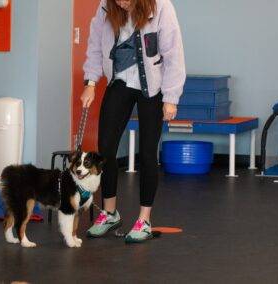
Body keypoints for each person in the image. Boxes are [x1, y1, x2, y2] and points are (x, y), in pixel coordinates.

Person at [81, 0, 186, 243]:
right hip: (119, 81)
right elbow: (95, 45)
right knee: (105, 149)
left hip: (152, 85)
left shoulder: (161, 7)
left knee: (148, 153)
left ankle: (144, 219)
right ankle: (109, 213)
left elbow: (174, 52)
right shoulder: (106, 7)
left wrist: (171, 97)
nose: (122, 2)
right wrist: (90, 82)